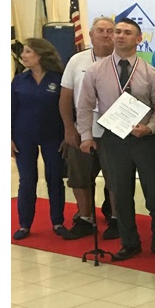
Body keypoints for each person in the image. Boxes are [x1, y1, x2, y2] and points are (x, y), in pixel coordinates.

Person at [76, 17, 155, 261]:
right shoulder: (96, 70)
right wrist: (86, 136)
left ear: (138, 39)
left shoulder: (150, 72)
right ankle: (129, 242)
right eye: (117, 31)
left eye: (127, 32)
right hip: (113, 139)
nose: (119, 36)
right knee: (120, 192)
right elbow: (84, 105)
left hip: (145, 139)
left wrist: (150, 127)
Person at [58, 16, 117, 239]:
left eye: (110, 31)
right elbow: (65, 97)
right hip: (84, 131)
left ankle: (116, 219)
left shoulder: (123, 61)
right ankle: (85, 218)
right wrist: (69, 128)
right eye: (100, 30)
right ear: (91, 34)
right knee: (79, 177)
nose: (105, 35)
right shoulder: (77, 61)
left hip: (114, 133)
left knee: (115, 180)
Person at [11, 37, 67, 239]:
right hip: (23, 136)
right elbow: (10, 109)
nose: (23, 55)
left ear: (41, 54)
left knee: (54, 178)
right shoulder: (19, 80)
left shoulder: (58, 79)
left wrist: (68, 134)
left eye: (28, 51)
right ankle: (24, 224)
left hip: (54, 135)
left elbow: (68, 109)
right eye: (23, 51)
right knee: (27, 180)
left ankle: (58, 221)